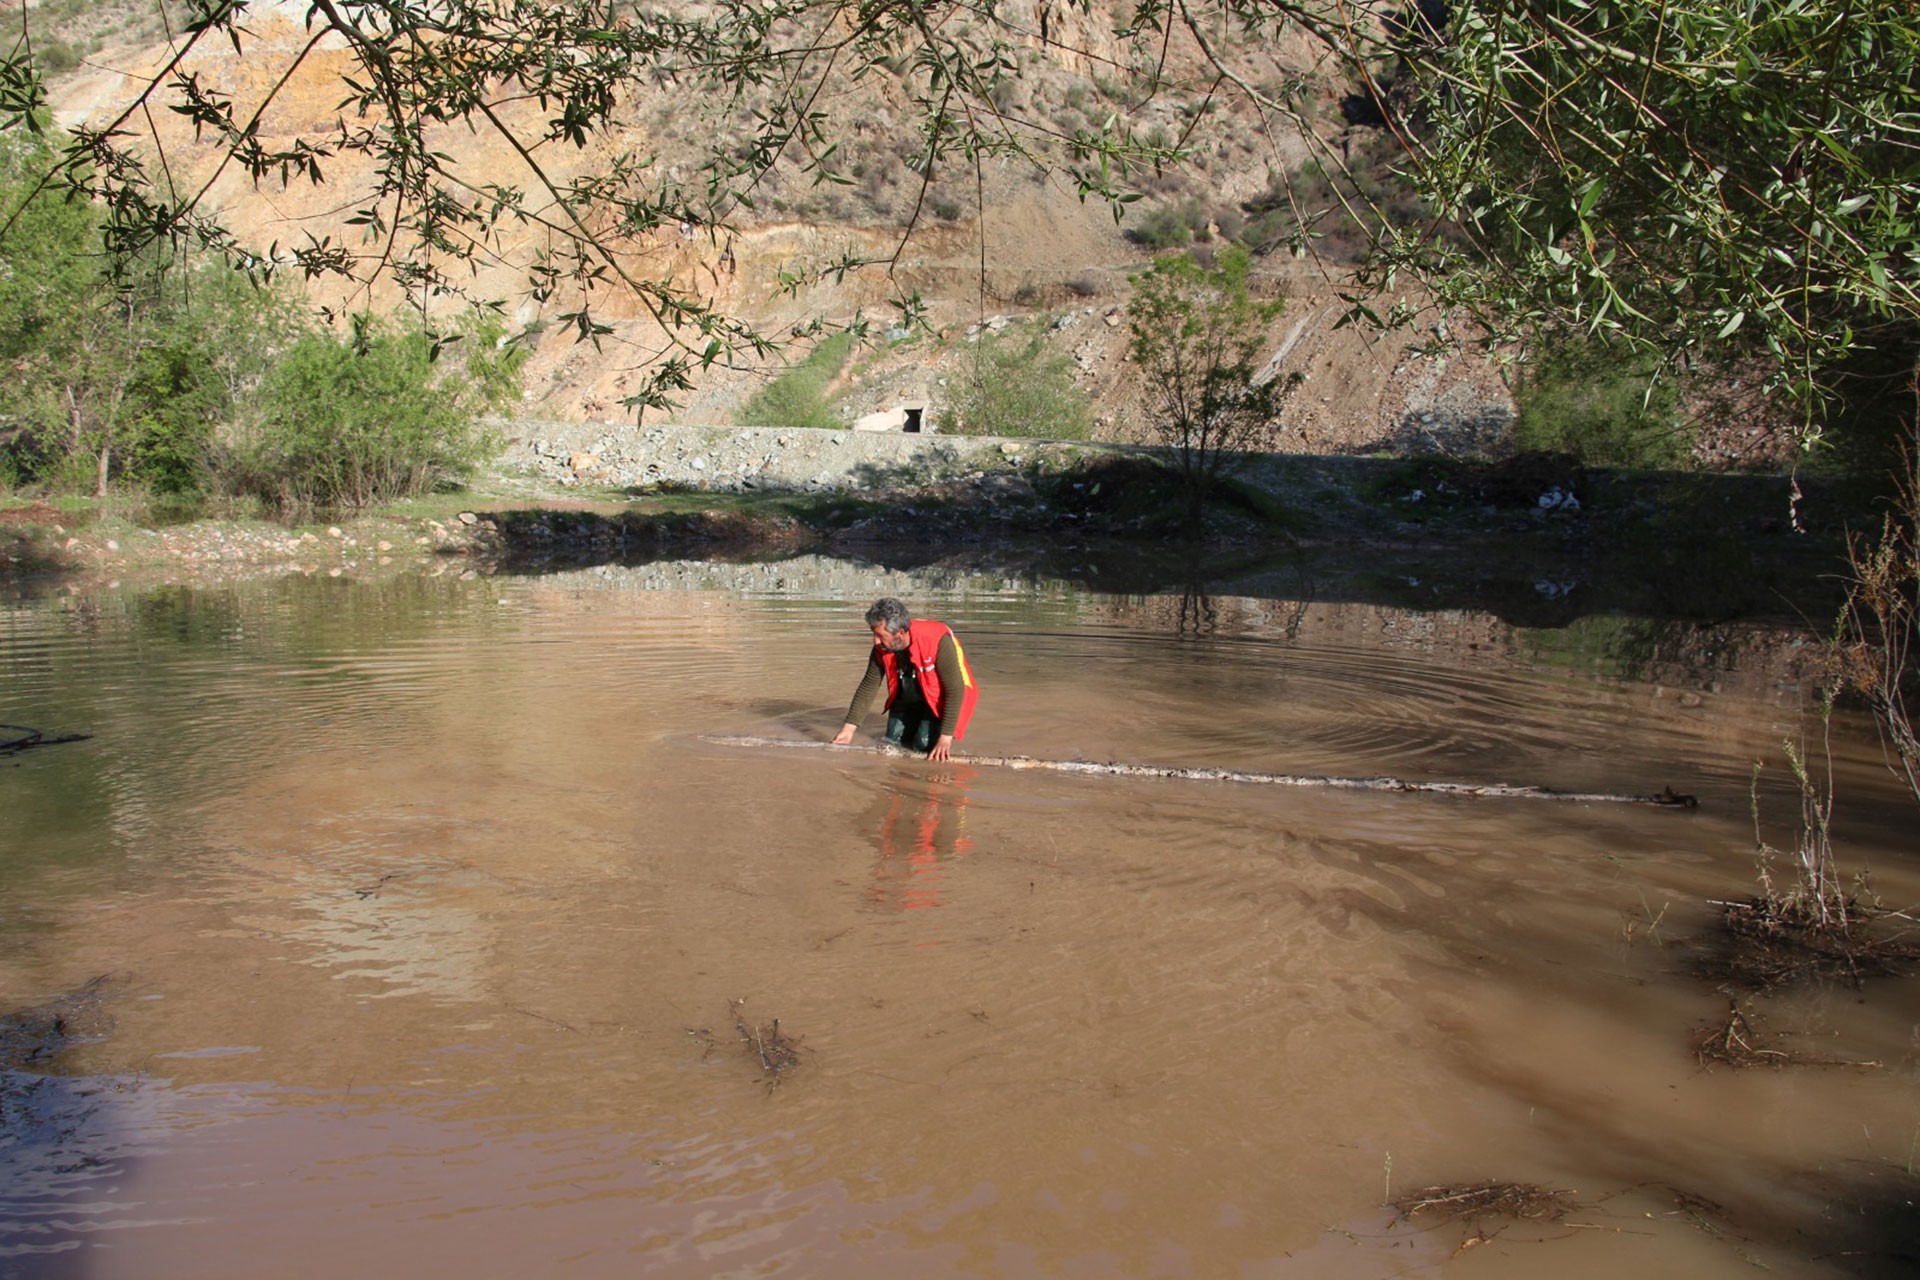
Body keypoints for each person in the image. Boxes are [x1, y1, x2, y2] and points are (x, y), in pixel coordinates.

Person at [832, 597, 978, 761]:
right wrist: (848, 729)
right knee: (891, 743)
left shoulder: (937, 640)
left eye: (880, 635)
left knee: (923, 745)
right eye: (874, 634)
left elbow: (955, 689)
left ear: (900, 633)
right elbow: (869, 686)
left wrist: (945, 737)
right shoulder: (881, 647)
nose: (875, 641)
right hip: (907, 695)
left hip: (939, 700)